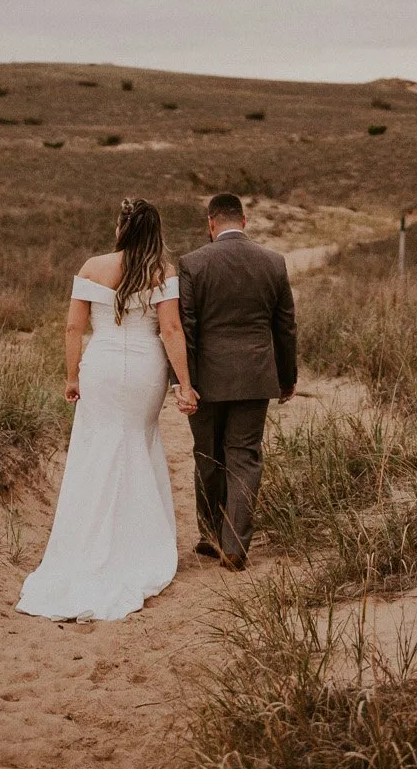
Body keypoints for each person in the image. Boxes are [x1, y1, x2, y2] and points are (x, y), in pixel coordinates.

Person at [17, 197, 199, 621]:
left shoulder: (92, 266)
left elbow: (73, 328)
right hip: (143, 369)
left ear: (121, 228)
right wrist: (185, 383)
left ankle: (85, 545)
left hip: (99, 367)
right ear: (154, 233)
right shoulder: (161, 272)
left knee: (97, 448)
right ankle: (136, 545)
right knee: (136, 443)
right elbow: (171, 329)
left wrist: (71, 376)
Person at [179, 191, 297, 570]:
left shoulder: (192, 263)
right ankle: (235, 546)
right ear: (244, 222)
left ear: (210, 224)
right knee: (244, 456)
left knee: (208, 455)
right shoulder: (274, 262)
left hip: (207, 379)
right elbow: (286, 327)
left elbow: (188, 328)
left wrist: (187, 381)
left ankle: (211, 535)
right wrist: (287, 376)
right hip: (255, 375)